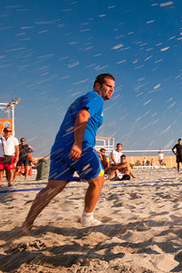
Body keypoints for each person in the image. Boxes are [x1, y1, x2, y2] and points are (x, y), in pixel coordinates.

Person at [19, 73, 115, 235]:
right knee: (98, 179)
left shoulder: (80, 99)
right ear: (97, 85)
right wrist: (78, 144)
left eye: (113, 87)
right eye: (108, 86)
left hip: (60, 147)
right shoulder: (95, 98)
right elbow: (83, 116)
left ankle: (27, 225)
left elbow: (83, 123)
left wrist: (90, 146)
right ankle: (87, 217)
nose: (111, 90)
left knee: (53, 187)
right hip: (78, 146)